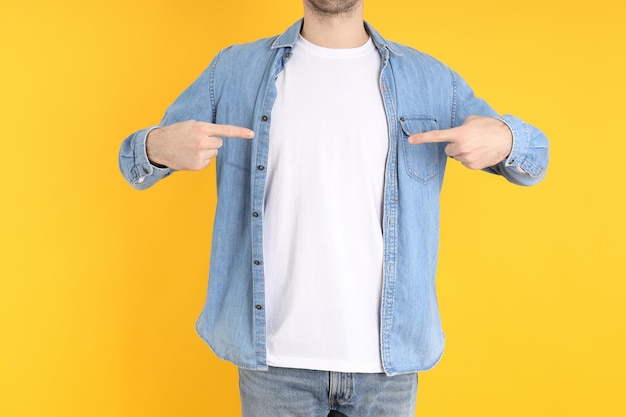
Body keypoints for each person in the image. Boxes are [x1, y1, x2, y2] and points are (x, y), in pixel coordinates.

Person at [118, 1, 549, 415]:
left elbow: (535, 161)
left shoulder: (431, 80)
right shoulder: (234, 71)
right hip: (273, 364)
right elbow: (132, 162)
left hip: (386, 368)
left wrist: (507, 139)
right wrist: (156, 147)